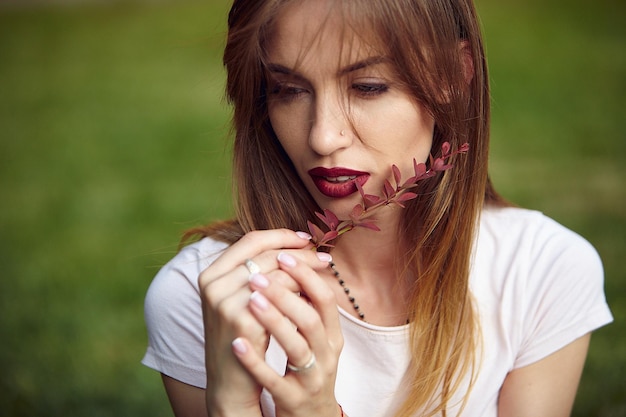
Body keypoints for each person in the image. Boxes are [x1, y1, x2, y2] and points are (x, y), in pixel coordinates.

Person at [141, 0, 613, 416]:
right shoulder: (207, 298)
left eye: (367, 87)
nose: (322, 136)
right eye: (288, 89)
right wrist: (231, 407)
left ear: (454, 75)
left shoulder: (540, 272)